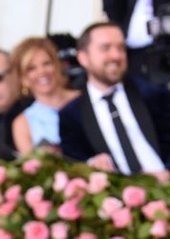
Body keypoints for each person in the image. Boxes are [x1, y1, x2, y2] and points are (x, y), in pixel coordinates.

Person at [58, 21, 170, 178]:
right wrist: (91, 164)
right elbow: (74, 162)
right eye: (105, 48)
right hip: (115, 195)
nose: (116, 56)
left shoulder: (153, 95)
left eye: (121, 48)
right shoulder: (71, 114)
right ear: (83, 58)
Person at [10, 36, 80, 154]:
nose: (42, 72)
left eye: (46, 63)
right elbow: (33, 167)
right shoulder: (22, 124)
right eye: (31, 68)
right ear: (22, 78)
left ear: (57, 65)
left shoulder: (84, 99)